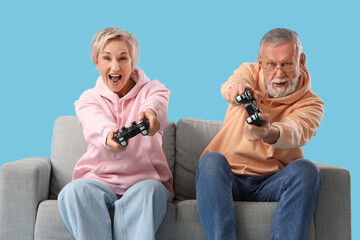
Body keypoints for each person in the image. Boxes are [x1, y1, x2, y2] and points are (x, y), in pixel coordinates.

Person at [195, 28, 324, 240]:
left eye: (287, 64)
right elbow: (232, 85)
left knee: (307, 170)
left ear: (301, 60)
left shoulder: (312, 103)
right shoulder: (248, 71)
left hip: (272, 181)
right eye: (271, 64)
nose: (279, 74)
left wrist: (268, 132)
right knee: (210, 161)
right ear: (261, 62)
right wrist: (239, 90)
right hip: (228, 176)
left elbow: (296, 130)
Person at [58, 27, 173, 240]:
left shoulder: (154, 89)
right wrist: (107, 135)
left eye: (123, 58)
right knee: (73, 192)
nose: (115, 66)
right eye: (107, 58)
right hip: (99, 179)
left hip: (144, 179)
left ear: (132, 62)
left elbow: (156, 103)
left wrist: (150, 113)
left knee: (150, 191)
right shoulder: (88, 99)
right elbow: (93, 121)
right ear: (97, 64)